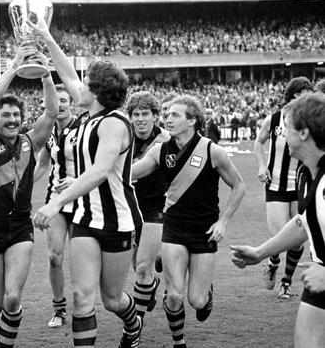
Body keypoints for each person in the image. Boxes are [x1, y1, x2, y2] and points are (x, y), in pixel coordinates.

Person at [30, 16, 144, 348]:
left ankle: (131, 321)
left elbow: (99, 172)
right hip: (83, 219)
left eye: (85, 82)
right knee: (81, 296)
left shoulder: (115, 124)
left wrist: (54, 202)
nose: (77, 85)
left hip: (115, 222)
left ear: (95, 91)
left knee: (111, 299)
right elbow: (65, 72)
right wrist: (47, 37)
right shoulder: (89, 115)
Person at [130, 95, 245, 348]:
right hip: (172, 228)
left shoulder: (212, 150)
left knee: (197, 300)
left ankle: (207, 294)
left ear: (192, 120)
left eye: (175, 115)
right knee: (173, 295)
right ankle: (178, 341)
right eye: (167, 114)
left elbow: (239, 186)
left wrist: (223, 222)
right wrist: (93, 173)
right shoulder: (160, 150)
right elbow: (130, 172)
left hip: (204, 232)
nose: (167, 119)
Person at [0, 44, 58, 347]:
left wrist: (46, 76)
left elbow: (50, 112)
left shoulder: (30, 142)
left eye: (15, 114)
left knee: (12, 298)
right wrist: (14, 67)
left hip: (21, 227)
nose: (11, 119)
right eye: (5, 114)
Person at [231, 92, 325, 348]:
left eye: (286, 127)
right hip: (318, 278)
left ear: (303, 132)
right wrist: (261, 252)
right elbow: (304, 223)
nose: (281, 133)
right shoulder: (307, 172)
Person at [253, 76, 314, 299]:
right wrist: (261, 165)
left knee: (297, 238)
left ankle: (286, 282)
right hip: (275, 184)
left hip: (299, 186)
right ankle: (273, 261)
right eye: (301, 95)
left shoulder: (311, 123)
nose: (304, 100)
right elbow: (258, 142)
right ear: (291, 96)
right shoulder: (275, 119)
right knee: (279, 235)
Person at [33, 84, 87, 328]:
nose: (61, 104)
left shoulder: (85, 127)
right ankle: (59, 309)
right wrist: (21, 185)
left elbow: (100, 163)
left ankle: (83, 307)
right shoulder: (49, 132)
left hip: (83, 200)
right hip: (55, 202)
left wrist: (78, 181)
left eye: (64, 100)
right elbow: (43, 165)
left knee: (80, 259)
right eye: (56, 101)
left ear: (71, 103)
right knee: (54, 257)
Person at [126, 91, 170, 323]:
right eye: (136, 114)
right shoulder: (124, 138)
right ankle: (151, 284)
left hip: (157, 206)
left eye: (145, 114)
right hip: (130, 206)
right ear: (130, 117)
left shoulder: (167, 140)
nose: (141, 119)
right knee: (136, 263)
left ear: (155, 116)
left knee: (145, 264)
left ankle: (135, 324)